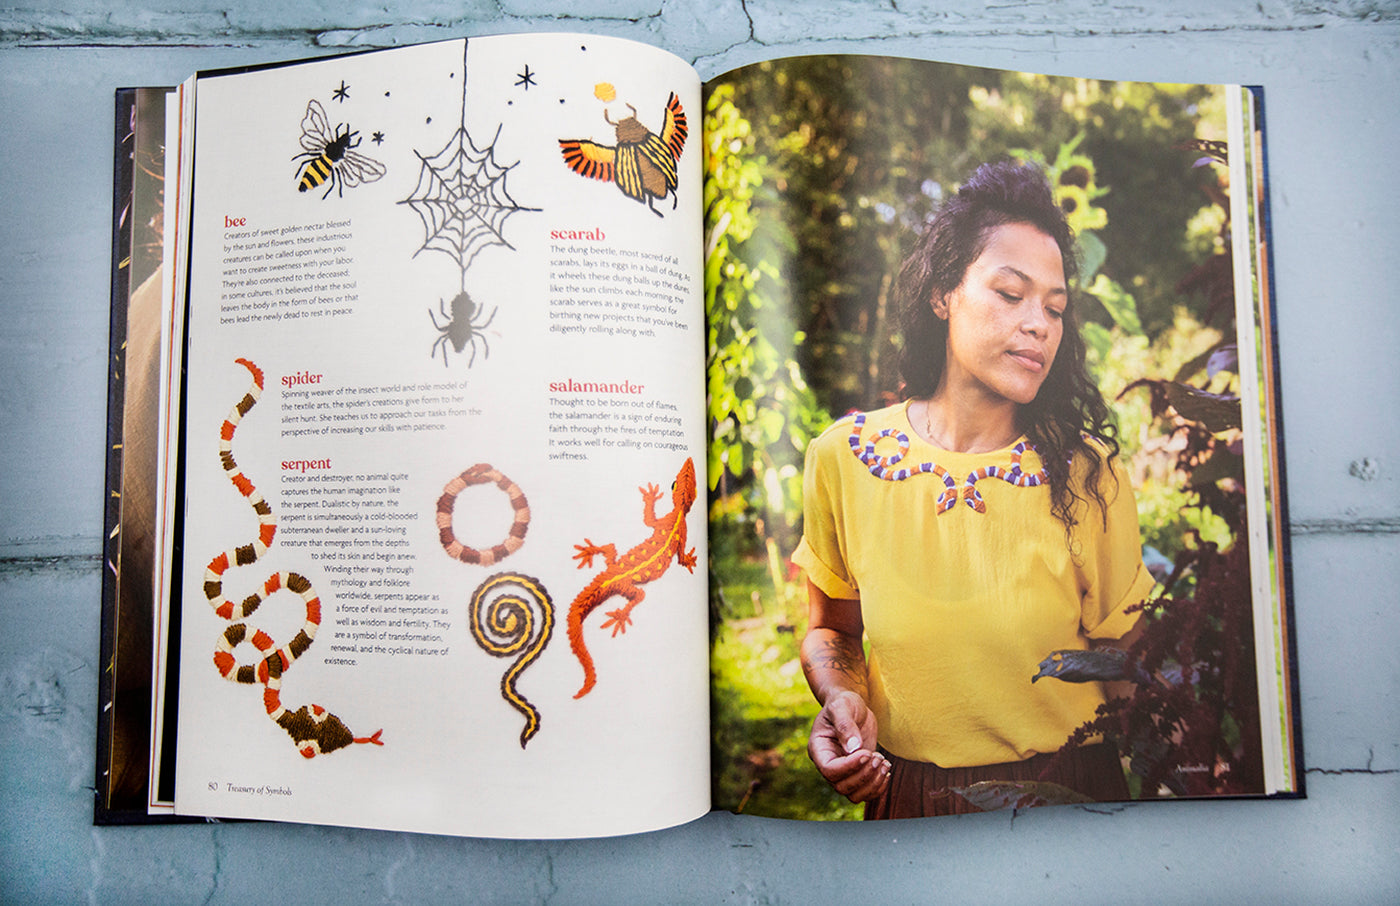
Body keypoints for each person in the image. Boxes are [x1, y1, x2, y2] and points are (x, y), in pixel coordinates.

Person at [792, 160, 1156, 818]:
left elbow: (1129, 667)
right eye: (1010, 293)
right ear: (943, 294)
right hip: (908, 802)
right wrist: (841, 700)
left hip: (1069, 797)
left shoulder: (1085, 473)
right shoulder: (842, 459)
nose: (1040, 323)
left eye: (1055, 307)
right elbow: (833, 632)